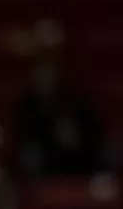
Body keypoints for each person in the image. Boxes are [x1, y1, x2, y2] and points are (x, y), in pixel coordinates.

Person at [10, 50, 109, 178]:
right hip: (45, 150)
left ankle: (101, 188)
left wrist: (76, 134)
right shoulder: (26, 102)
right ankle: (38, 192)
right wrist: (52, 134)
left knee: (108, 150)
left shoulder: (73, 95)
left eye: (49, 73)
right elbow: (21, 133)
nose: (45, 78)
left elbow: (93, 126)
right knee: (30, 155)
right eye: (41, 74)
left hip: (80, 147)